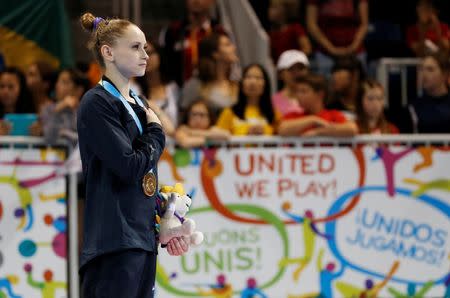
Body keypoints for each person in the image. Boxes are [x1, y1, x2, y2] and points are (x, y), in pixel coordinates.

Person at [77, 13, 189, 298]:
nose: (145, 55)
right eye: (136, 47)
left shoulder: (139, 103)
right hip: (113, 241)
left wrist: (165, 218)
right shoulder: (97, 102)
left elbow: (142, 173)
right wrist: (157, 133)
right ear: (108, 52)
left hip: (142, 238)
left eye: (146, 47)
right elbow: (128, 166)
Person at [160, 0, 225, 86]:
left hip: (214, 89)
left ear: (212, 1)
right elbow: (163, 65)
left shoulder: (219, 31)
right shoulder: (172, 32)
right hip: (179, 92)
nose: (196, 1)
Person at [278, 74, 358, 137]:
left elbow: (352, 129)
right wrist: (313, 120)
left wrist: (319, 132)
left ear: (320, 94)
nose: (298, 95)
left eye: (303, 91)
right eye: (297, 91)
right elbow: (282, 130)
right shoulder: (294, 115)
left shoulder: (333, 115)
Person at [181, 32, 239, 118]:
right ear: (215, 54)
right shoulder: (196, 85)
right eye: (227, 45)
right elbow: (183, 120)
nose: (234, 48)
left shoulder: (236, 84)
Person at [306, 0, 369, 75]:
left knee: (358, 79)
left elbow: (364, 24)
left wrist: (352, 48)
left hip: (355, 51)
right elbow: (312, 25)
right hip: (325, 52)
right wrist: (331, 49)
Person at [395, 52, 450, 133]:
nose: (424, 74)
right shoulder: (412, 108)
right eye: (421, 69)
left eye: (430, 69)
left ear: (445, 74)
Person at [216, 64, 275, 135]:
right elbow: (217, 140)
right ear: (241, 83)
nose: (252, 82)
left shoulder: (274, 113)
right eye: (248, 77)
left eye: (258, 78)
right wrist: (246, 132)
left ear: (266, 84)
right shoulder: (229, 112)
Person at [136, 42, 179, 134]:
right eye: (140, 54)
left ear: (159, 55)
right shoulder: (134, 89)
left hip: (175, 144)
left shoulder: (173, 88)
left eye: (150, 53)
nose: (146, 57)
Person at [40, 68, 90, 146]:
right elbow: (49, 139)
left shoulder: (87, 111)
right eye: (58, 81)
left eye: (64, 82)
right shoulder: (47, 109)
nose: (57, 85)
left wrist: (66, 134)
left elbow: (88, 138)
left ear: (78, 90)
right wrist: (58, 111)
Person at [272, 50, 309, 119]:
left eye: (301, 68)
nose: (297, 73)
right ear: (280, 74)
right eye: (291, 69)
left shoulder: (314, 99)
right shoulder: (272, 102)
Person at [327, 56, 366, 120]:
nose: (334, 78)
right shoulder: (331, 105)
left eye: (339, 72)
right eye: (333, 73)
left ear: (355, 74)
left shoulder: (370, 100)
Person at [25, 61, 56, 136]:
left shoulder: (54, 108)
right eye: (27, 74)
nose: (26, 78)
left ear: (45, 84)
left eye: (32, 75)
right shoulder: (23, 104)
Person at [0, 67, 35, 135]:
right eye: (2, 86)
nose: (5, 91)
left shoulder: (31, 115)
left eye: (11, 87)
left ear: (21, 89)